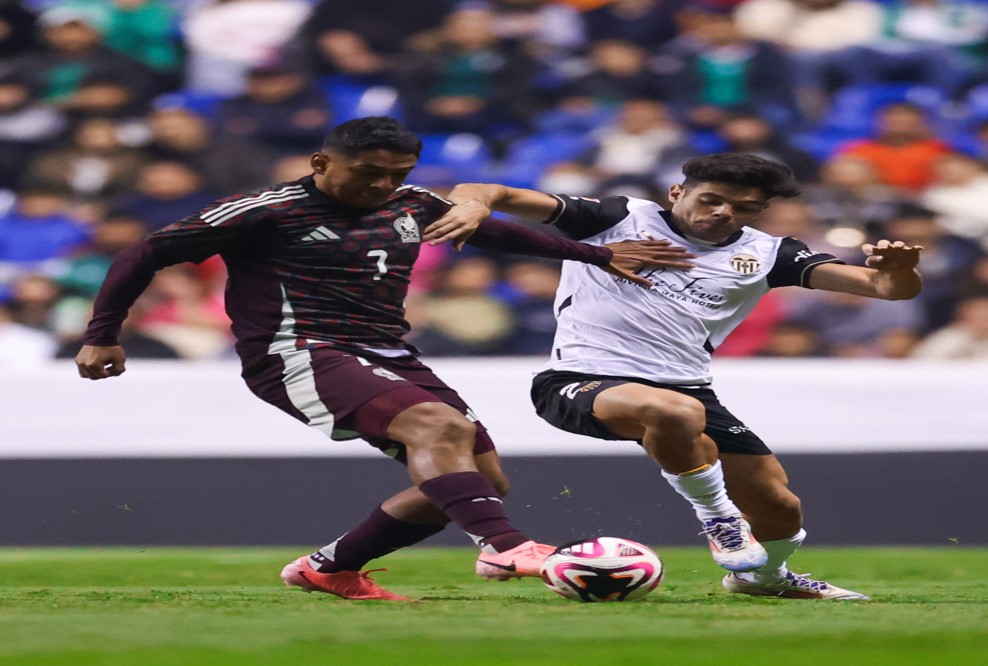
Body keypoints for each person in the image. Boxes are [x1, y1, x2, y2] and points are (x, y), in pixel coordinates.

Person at [73, 116, 692, 601]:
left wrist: (596, 255)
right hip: (296, 350)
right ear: (321, 163)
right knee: (439, 429)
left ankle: (330, 569)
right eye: (368, 172)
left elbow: (483, 229)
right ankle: (505, 545)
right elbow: (144, 254)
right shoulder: (266, 210)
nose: (381, 185)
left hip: (388, 351)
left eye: (395, 173)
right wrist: (103, 332)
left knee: (480, 479)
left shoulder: (410, 202)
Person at [426, 152, 925, 599]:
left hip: (688, 388)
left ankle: (762, 578)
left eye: (744, 207)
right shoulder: (617, 218)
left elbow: (886, 288)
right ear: (677, 193)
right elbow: (487, 191)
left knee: (779, 507)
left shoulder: (768, 254)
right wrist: (472, 205)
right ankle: (720, 522)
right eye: (711, 200)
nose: (724, 213)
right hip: (579, 380)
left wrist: (899, 269)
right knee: (674, 413)